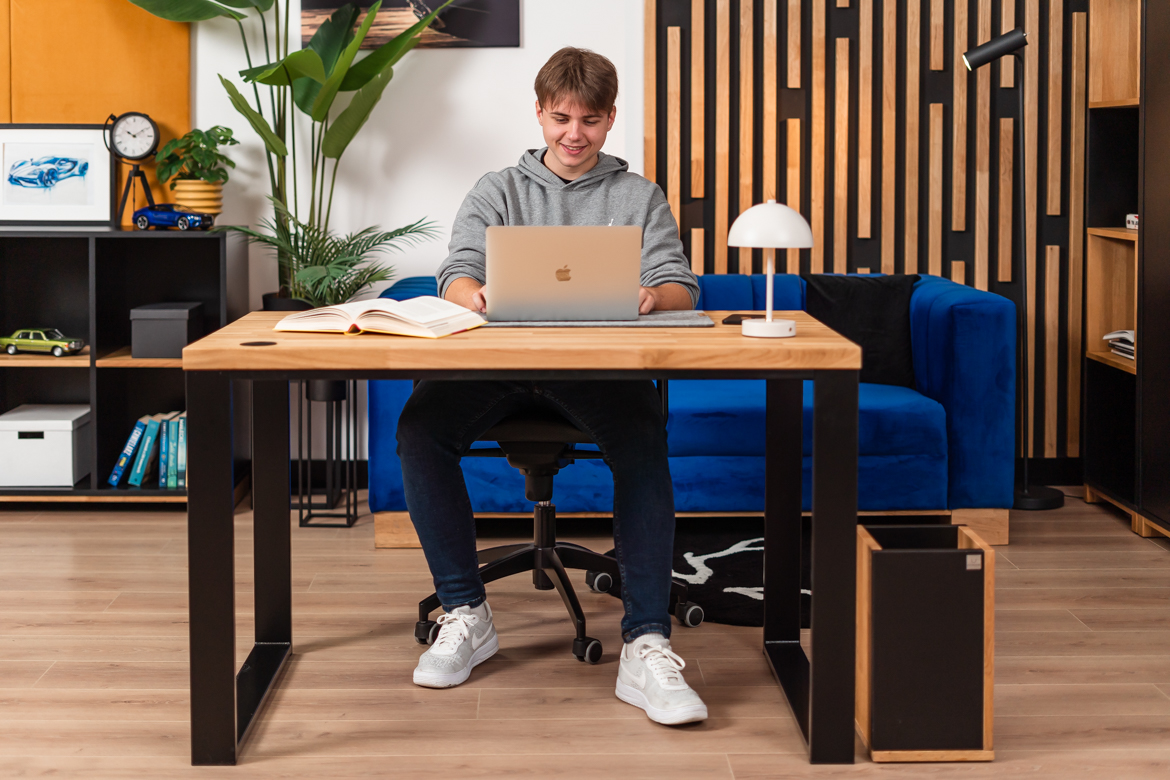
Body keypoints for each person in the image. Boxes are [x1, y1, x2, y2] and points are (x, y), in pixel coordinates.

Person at [397, 46, 706, 726]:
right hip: (497, 365)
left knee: (643, 439)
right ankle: (466, 612)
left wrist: (654, 297)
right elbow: (456, 269)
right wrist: (470, 291)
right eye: (561, 118)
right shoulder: (496, 188)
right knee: (419, 429)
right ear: (539, 113)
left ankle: (647, 641)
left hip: (596, 370)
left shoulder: (637, 196)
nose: (575, 134)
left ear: (610, 119)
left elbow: (685, 286)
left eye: (591, 120)